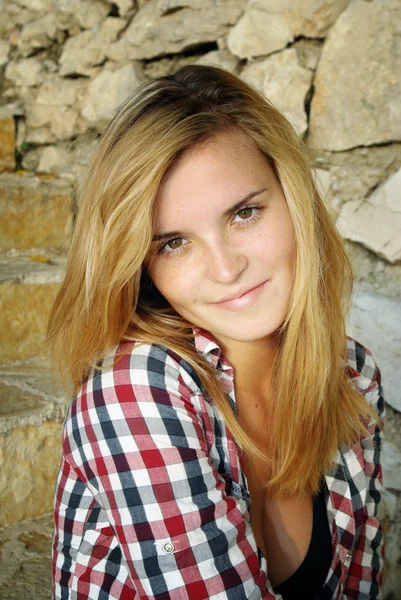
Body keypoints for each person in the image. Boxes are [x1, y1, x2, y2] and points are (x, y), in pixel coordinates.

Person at [48, 65, 385, 600]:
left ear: (295, 199)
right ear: (140, 267)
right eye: (173, 243)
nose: (226, 269)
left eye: (245, 213)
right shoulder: (136, 396)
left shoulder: (353, 375)